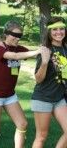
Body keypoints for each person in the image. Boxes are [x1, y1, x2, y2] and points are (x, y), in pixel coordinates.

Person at [0, 20, 45, 148]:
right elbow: (14, 56)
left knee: (22, 124)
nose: (17, 38)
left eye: (19, 36)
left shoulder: (20, 48)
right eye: (14, 35)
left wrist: (43, 50)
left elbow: (26, 53)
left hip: (9, 95)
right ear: (6, 34)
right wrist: (37, 51)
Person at [31, 17, 67, 148]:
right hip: (43, 98)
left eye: (61, 28)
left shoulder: (65, 49)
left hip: (59, 98)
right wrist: (45, 62)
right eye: (55, 29)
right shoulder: (45, 50)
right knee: (41, 136)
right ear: (49, 32)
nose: (59, 32)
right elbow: (38, 79)